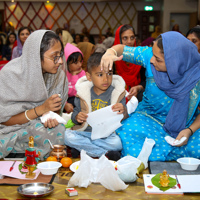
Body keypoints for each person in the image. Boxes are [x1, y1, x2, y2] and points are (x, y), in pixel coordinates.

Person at [100, 31, 200, 161]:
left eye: (158, 59)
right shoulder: (149, 56)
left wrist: (190, 131)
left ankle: (159, 153)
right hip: (147, 119)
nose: (152, 60)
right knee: (128, 136)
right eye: (153, 55)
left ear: (174, 62)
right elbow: (121, 49)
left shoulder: (195, 74)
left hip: (183, 126)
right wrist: (109, 53)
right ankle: (170, 153)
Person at [0, 30, 68, 159]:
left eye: (60, 55)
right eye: (55, 56)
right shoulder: (10, 74)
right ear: (36, 56)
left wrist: (51, 118)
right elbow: (4, 120)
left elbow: (56, 114)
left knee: (58, 130)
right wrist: (41, 109)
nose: (59, 61)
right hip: (6, 130)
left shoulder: (58, 77)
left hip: (37, 128)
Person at [64, 52, 128, 160]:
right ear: (89, 76)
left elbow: (123, 117)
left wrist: (123, 111)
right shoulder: (83, 93)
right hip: (85, 133)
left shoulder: (116, 93)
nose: (106, 79)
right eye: (100, 75)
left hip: (106, 136)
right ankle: (104, 153)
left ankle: (83, 149)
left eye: (109, 73)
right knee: (67, 136)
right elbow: (75, 114)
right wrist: (77, 117)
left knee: (117, 143)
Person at [113, 24, 145, 102]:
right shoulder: (112, 59)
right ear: (118, 39)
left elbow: (146, 80)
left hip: (137, 99)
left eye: (132, 38)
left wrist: (138, 87)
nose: (129, 42)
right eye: (125, 38)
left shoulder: (140, 58)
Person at [64, 43, 85, 113]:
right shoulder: (63, 74)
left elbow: (77, 92)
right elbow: (63, 92)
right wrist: (65, 104)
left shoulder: (82, 73)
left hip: (78, 99)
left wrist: (74, 76)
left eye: (80, 61)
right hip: (66, 102)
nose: (79, 64)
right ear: (67, 63)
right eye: (75, 63)